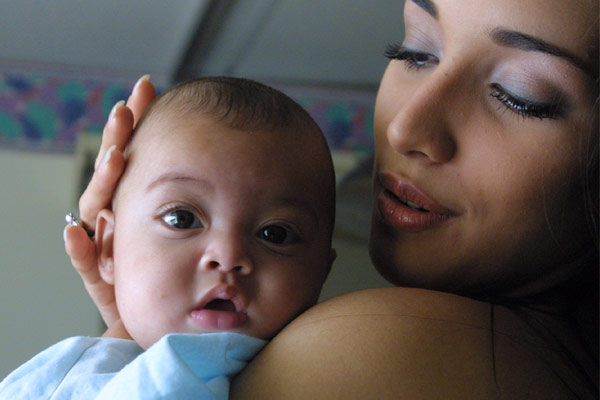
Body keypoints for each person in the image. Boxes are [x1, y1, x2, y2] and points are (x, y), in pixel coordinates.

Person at [66, 0, 598, 398]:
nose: (406, 128)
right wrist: (133, 334)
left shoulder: (386, 348)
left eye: (520, 97)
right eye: (416, 51)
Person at [0, 77, 336, 399]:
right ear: (109, 248)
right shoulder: (61, 376)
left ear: (321, 272)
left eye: (274, 234)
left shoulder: (325, 373)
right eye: (182, 219)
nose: (228, 255)